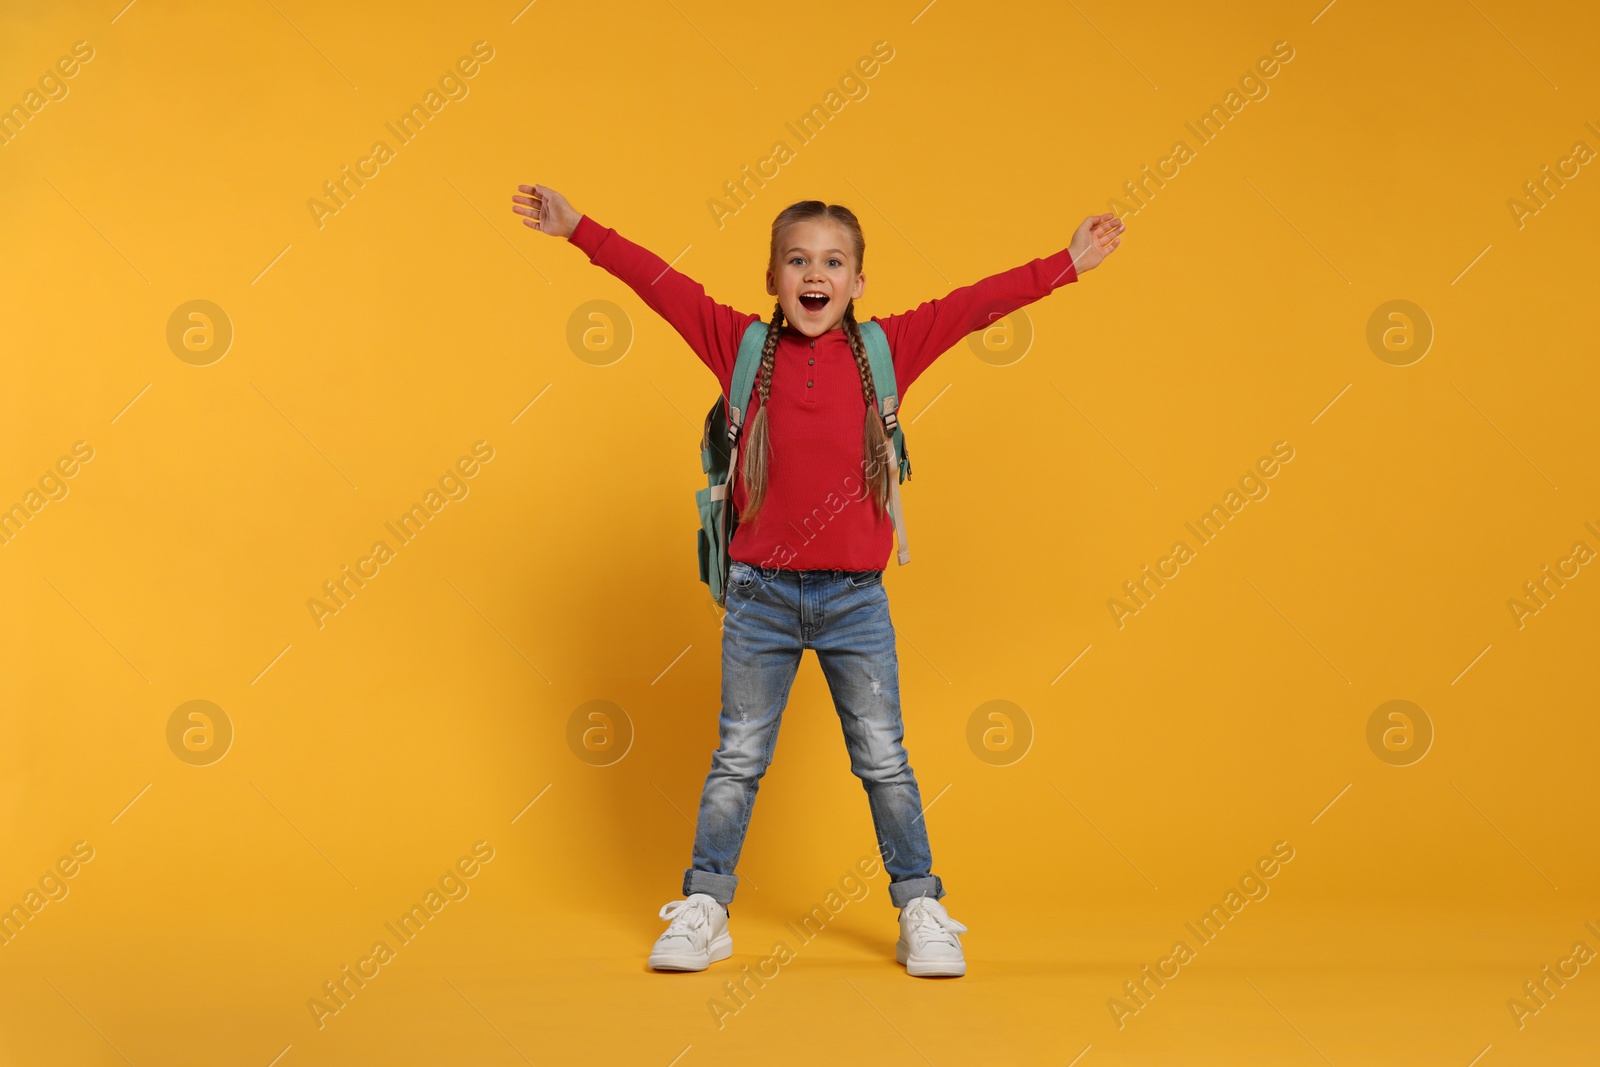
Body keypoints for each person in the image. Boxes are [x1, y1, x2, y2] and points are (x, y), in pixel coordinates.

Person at [512, 182, 1123, 977]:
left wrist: (1066, 264)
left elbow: (977, 304)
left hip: (855, 601)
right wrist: (578, 230)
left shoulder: (887, 350)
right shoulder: (738, 346)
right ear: (772, 278)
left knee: (883, 759)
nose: (815, 273)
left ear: (859, 282)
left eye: (834, 262)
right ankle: (706, 906)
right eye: (797, 259)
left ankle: (920, 906)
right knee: (738, 758)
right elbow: (660, 285)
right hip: (759, 597)